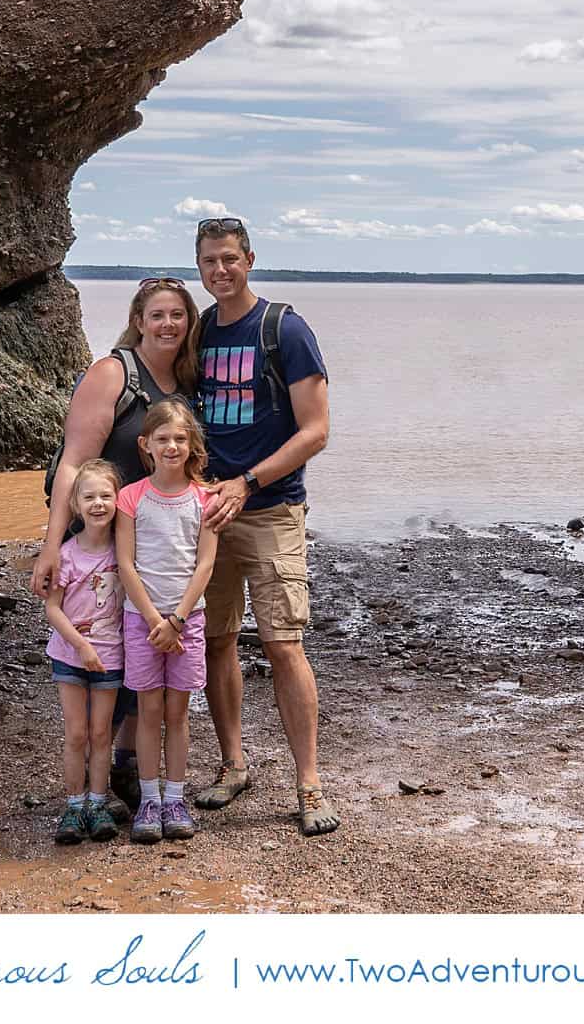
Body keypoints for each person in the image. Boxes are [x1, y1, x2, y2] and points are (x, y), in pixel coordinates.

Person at [30, 276, 204, 811]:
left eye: (178, 315)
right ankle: (94, 778)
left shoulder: (186, 382)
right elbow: (73, 463)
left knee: (138, 648)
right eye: (157, 315)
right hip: (100, 535)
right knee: (105, 642)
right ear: (138, 320)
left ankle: (126, 765)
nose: (168, 324)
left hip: (152, 544)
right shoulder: (114, 372)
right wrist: (53, 543)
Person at [190, 217, 338, 836]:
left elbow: (316, 430)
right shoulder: (199, 331)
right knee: (217, 640)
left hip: (272, 509)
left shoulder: (285, 329)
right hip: (206, 514)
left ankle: (309, 785)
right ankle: (232, 766)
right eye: (208, 262)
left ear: (249, 259)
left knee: (283, 644)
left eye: (229, 259)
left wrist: (247, 483)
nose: (219, 271)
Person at [113, 399, 218, 843]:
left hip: (187, 621)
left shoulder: (204, 499)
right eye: (163, 439)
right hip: (142, 621)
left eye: (180, 438)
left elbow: (205, 564)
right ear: (146, 444)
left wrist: (176, 620)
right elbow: (125, 563)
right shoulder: (131, 497)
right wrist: (155, 619)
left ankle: (176, 797)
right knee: (149, 711)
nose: (172, 446)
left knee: (178, 714)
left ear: (191, 444)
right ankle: (150, 799)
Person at [42, 458, 126, 845]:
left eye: (106, 496)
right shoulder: (67, 554)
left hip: (112, 656)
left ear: (117, 500)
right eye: (89, 497)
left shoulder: (124, 554)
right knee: (76, 733)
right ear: (75, 505)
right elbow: (52, 608)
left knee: (101, 732)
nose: (98, 504)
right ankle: (74, 805)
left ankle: (97, 802)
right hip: (70, 655)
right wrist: (81, 646)